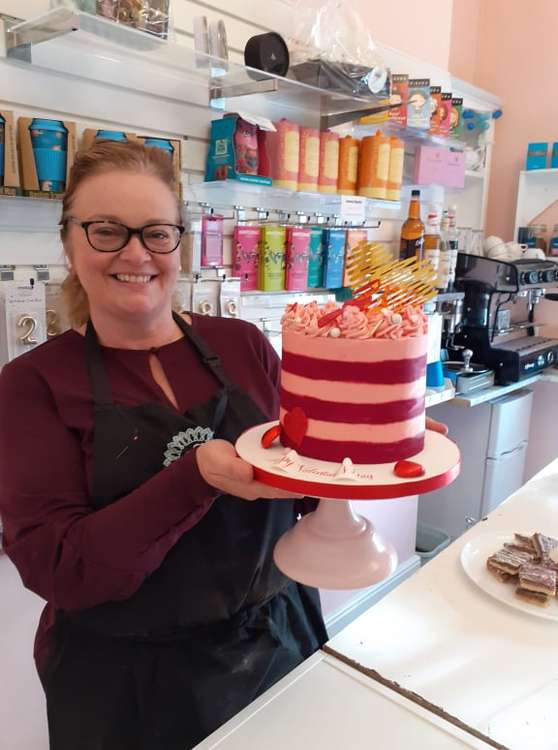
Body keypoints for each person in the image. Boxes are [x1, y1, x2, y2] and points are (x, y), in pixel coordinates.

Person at [0, 141, 447, 749]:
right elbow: (63, 570)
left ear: (180, 241)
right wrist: (194, 476)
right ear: (70, 240)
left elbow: (304, 483)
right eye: (107, 230)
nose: (135, 253)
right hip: (124, 685)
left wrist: (369, 449)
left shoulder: (243, 345)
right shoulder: (33, 385)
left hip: (273, 640)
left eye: (157, 232)